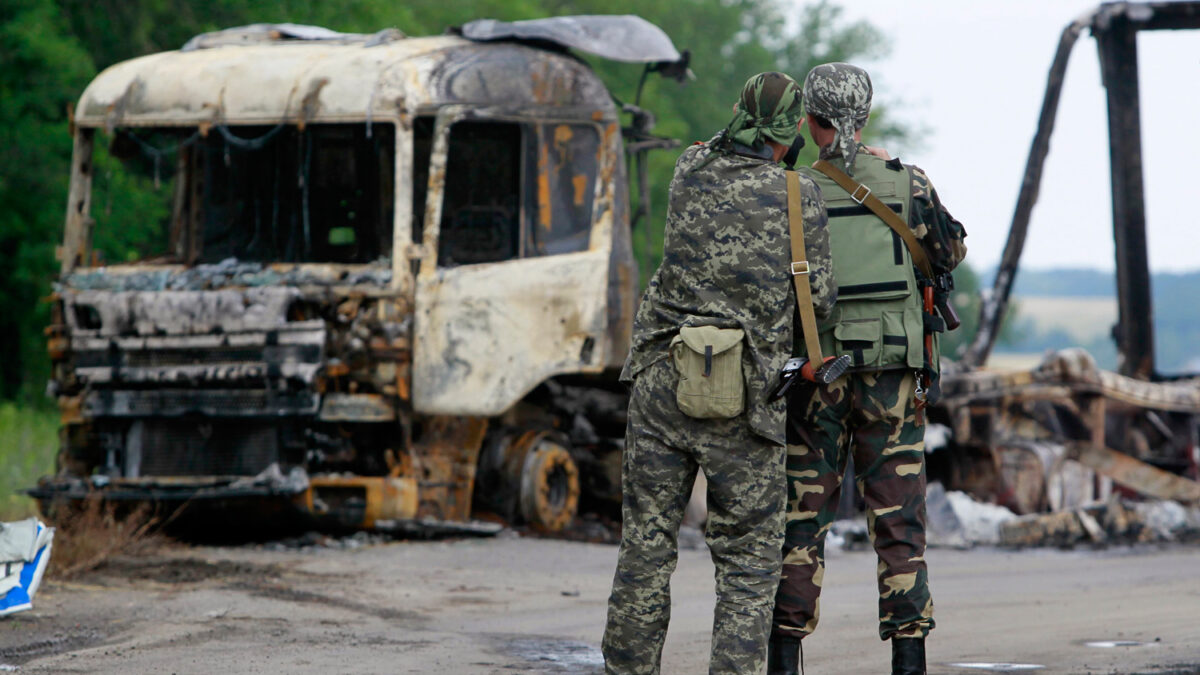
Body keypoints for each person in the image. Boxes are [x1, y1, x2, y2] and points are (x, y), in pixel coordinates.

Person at [602, 71, 835, 675]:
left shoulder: (688, 168)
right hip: (748, 395)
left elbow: (716, 142)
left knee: (646, 548)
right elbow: (824, 303)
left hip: (665, 379)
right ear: (788, 135)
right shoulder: (798, 194)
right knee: (748, 565)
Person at [767, 63, 968, 675]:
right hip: (891, 375)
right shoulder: (908, 182)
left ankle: (784, 657)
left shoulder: (791, 188)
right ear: (866, 114)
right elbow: (951, 248)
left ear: (810, 121)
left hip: (816, 376)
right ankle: (908, 661)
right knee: (899, 517)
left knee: (802, 519)